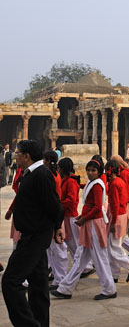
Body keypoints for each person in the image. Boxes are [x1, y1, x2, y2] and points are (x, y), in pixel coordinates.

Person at [2, 139, 64, 327]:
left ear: (27, 156)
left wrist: (58, 226)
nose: (15, 156)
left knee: (10, 281)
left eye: (17, 153)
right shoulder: (31, 173)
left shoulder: (41, 174)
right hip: (32, 234)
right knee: (38, 286)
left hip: (36, 237)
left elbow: (54, 205)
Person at [51, 158, 116, 301]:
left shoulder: (98, 185)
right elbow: (89, 205)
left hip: (95, 224)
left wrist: (84, 218)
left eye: (93, 170)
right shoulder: (91, 183)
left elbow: (98, 207)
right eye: (88, 170)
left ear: (99, 172)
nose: (90, 173)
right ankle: (65, 288)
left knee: (99, 258)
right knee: (80, 258)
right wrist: (83, 216)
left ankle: (109, 288)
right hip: (89, 223)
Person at [104, 160, 129, 284]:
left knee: (113, 248)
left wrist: (112, 222)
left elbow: (114, 204)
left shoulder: (114, 184)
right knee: (114, 245)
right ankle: (114, 274)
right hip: (122, 215)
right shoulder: (121, 181)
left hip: (117, 216)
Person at [43, 150, 69, 290]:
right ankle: (56, 275)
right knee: (52, 248)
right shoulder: (54, 174)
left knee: (58, 248)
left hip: (54, 213)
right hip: (53, 213)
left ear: (47, 160)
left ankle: (60, 278)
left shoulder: (52, 176)